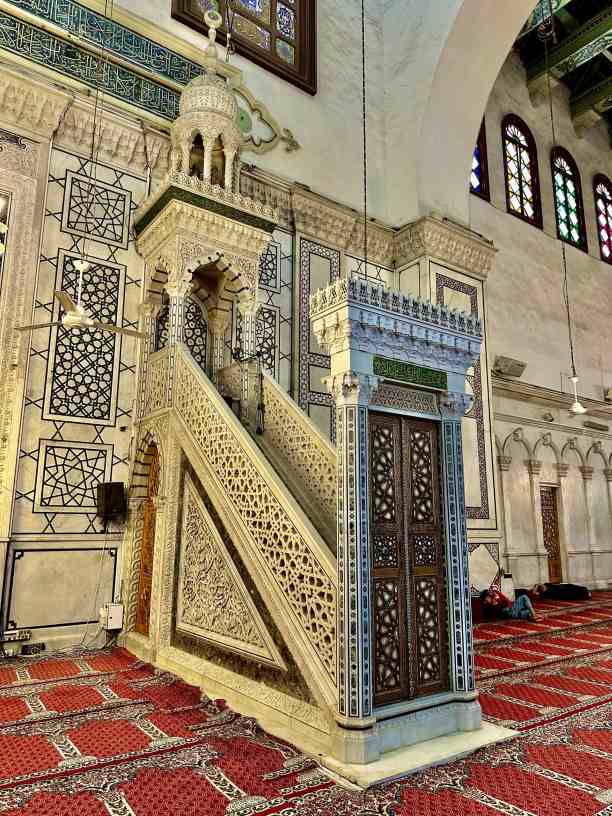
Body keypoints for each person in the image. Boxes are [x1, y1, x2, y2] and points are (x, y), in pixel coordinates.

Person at [516, 583, 591, 602]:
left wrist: (538, 585)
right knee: (570, 592)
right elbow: (534, 593)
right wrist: (537, 585)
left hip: (559, 588)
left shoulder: (546, 585)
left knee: (570, 586)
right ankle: (585, 593)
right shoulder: (541, 594)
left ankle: (585, 591)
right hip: (558, 592)